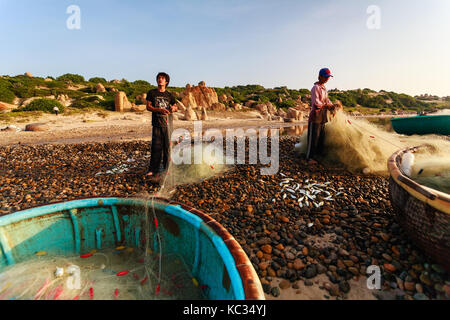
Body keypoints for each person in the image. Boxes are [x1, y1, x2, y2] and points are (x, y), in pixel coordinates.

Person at [145, 72, 178, 181]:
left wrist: (173, 109)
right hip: (157, 124)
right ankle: (153, 170)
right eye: (159, 78)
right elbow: (148, 107)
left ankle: (167, 169)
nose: (160, 80)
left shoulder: (169, 95)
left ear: (166, 82)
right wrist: (158, 110)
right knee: (156, 147)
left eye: (162, 78)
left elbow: (175, 106)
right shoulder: (152, 93)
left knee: (167, 147)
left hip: (168, 124)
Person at [306, 68, 339, 164]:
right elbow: (317, 103)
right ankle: (309, 158)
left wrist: (333, 106)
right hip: (316, 115)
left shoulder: (324, 88)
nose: (327, 79)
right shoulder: (315, 88)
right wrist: (327, 106)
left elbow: (327, 100)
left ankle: (318, 156)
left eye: (328, 77)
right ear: (320, 76)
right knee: (313, 138)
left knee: (321, 137)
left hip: (323, 116)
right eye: (325, 77)